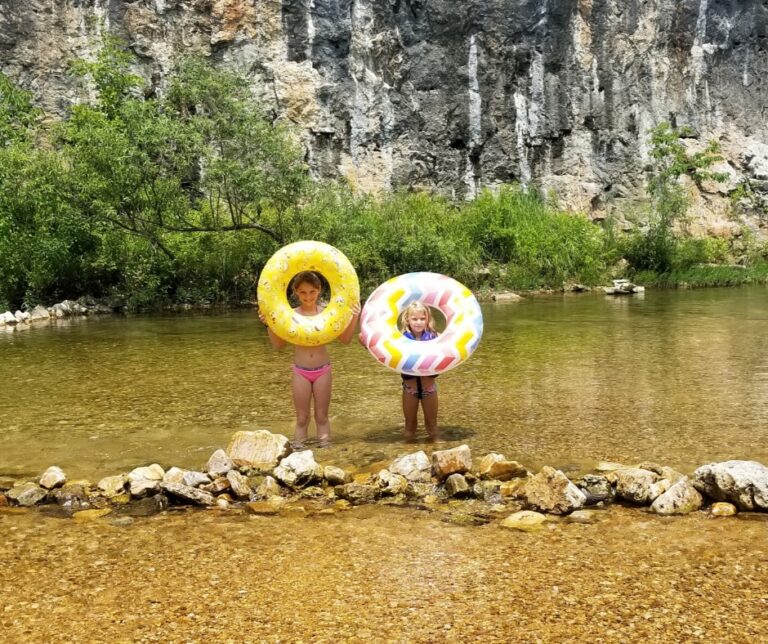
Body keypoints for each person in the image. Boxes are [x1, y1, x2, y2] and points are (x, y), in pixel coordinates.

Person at [259, 270, 360, 449]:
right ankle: (298, 453)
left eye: (312, 292)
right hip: (301, 371)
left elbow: (345, 340)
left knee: (322, 416)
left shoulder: (327, 313)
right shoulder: (290, 315)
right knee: (302, 418)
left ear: (319, 290)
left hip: (323, 370)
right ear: (295, 292)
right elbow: (279, 345)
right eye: (303, 292)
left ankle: (326, 452)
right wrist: (269, 323)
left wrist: (354, 316)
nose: (308, 296)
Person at [399, 301, 440, 442]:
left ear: (427, 319)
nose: (418, 322)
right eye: (414, 319)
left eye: (422, 319)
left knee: (432, 426)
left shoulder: (435, 337)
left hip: (429, 388)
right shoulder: (400, 339)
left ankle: (438, 451)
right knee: (410, 426)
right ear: (407, 320)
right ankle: (407, 454)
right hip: (410, 389)